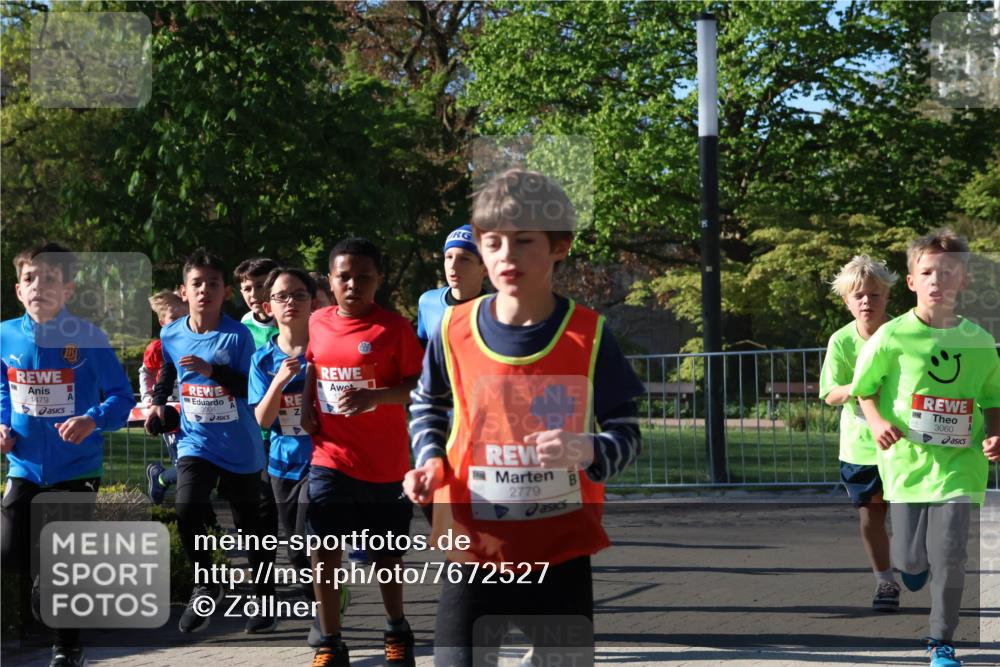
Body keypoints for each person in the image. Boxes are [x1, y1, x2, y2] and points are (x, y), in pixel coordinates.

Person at [404, 169, 645, 666]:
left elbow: (627, 432)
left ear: (560, 245)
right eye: (492, 243)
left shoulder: (590, 335)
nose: (505, 256)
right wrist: (428, 460)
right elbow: (428, 406)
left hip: (558, 550)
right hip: (473, 545)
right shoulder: (453, 330)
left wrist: (590, 448)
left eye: (523, 241)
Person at [851, 229, 1000, 667]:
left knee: (951, 552)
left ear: (964, 281)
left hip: (960, 463)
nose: (938, 280)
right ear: (913, 281)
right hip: (906, 466)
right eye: (927, 272)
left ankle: (941, 641)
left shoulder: (979, 341)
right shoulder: (892, 336)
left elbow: (993, 396)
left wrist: (995, 433)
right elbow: (865, 389)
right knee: (910, 558)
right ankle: (910, 569)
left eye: (948, 272)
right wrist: (877, 422)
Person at [0, 242, 133, 667]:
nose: (39, 286)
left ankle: (67, 648)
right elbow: (3, 391)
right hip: (24, 466)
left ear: (69, 290)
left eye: (50, 279)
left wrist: (92, 419)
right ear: (18, 290)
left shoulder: (89, 338)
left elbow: (121, 396)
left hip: (77, 467)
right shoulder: (4, 335)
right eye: (29, 279)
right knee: (8, 554)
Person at [300, 238, 424, 666]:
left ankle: (396, 628)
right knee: (323, 545)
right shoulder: (317, 322)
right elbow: (312, 366)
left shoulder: (395, 329)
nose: (353, 284)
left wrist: (377, 397)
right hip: (330, 456)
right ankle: (330, 642)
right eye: (344, 276)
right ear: (330, 281)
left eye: (363, 277)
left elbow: (419, 387)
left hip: (385, 464)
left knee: (385, 555)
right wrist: (304, 408)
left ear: (379, 281)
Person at [145, 248, 278, 634]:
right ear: (184, 292)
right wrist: (156, 403)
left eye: (213, 284)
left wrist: (212, 371)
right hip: (195, 441)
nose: (205, 290)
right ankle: (207, 583)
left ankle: (263, 597)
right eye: (197, 284)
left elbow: (252, 389)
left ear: (225, 293)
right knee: (187, 510)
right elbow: (169, 369)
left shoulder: (238, 337)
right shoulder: (171, 332)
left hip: (239, 445)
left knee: (251, 527)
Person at [819, 255, 901, 612]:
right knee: (871, 515)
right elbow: (829, 394)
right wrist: (859, 385)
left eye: (875, 295)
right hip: (860, 447)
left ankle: (915, 561)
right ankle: (885, 581)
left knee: (915, 513)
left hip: (905, 441)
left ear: (888, 297)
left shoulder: (904, 333)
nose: (867, 301)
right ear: (846, 301)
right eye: (859, 296)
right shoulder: (840, 341)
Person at [249, 267, 317, 596]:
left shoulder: (327, 351)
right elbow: (261, 420)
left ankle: (326, 609)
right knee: (295, 550)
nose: (290, 302)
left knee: (313, 536)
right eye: (281, 297)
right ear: (267, 308)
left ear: (312, 302)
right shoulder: (263, 360)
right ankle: (324, 600)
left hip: (323, 461)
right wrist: (279, 382)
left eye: (299, 295)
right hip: (282, 462)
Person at [143, 289, 188, 504]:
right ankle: (160, 477)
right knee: (184, 466)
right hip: (169, 412)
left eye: (184, 317)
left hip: (197, 408)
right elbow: (146, 371)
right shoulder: (157, 348)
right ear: (162, 322)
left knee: (200, 464)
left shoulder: (196, 341)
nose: (179, 322)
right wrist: (149, 399)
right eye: (173, 318)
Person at [415, 224, 487, 347]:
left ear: (485, 268)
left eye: (464, 259)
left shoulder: (498, 311)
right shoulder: (427, 302)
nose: (452, 266)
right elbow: (422, 356)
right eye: (449, 257)